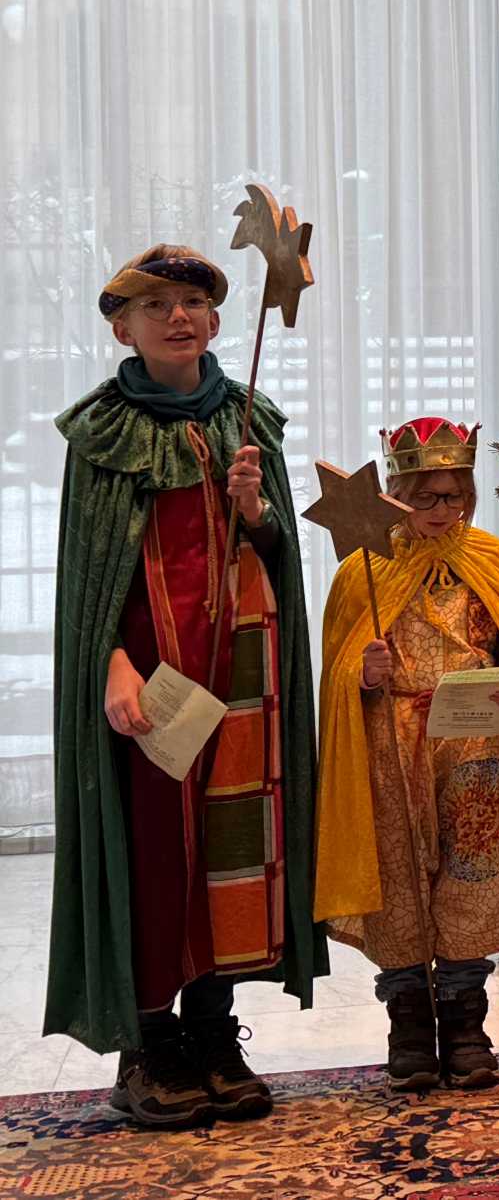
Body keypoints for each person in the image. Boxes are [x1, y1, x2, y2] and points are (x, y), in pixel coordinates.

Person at [49, 244, 324, 1128]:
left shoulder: (250, 418)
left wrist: (256, 513)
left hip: (241, 671)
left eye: (194, 302)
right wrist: (109, 663)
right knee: (154, 851)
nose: (179, 317)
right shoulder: (105, 431)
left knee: (232, 843)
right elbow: (89, 576)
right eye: (157, 304)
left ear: (215, 320)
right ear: (122, 329)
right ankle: (147, 1043)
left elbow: (274, 553)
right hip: (150, 679)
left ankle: (212, 1029)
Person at [315, 418, 499, 1092]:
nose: (440, 510)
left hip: (477, 746)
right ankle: (407, 1024)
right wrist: (361, 673)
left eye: (453, 496)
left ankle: (463, 1021)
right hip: (390, 750)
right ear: (395, 495)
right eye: (424, 497)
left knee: (472, 876)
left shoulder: (492, 562)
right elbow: (337, 674)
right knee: (396, 879)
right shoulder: (365, 571)